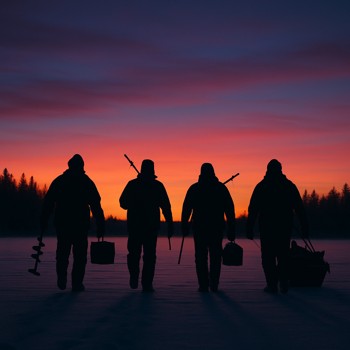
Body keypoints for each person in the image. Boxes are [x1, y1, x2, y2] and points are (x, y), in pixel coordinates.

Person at [40, 154, 105, 292]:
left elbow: (48, 203)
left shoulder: (60, 181)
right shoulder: (86, 182)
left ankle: (62, 278)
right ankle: (76, 283)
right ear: (82, 166)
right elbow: (96, 205)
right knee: (79, 255)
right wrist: (100, 224)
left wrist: (44, 220)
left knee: (63, 253)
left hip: (63, 223)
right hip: (80, 224)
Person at [246, 159, 309, 294]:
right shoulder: (288, 186)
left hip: (267, 228)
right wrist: (304, 227)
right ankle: (283, 282)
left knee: (268, 257)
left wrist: (249, 228)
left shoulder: (261, 186)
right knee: (283, 255)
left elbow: (253, 210)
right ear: (280, 169)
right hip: (284, 227)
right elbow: (299, 208)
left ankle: (272, 284)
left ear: (267, 170)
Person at [119, 159, 173, 292]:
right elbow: (166, 207)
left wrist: (170, 223)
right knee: (148, 256)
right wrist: (170, 223)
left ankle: (139, 279)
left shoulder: (133, 185)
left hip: (139, 227)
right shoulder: (157, 186)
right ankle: (145, 282)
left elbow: (123, 203)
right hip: (147, 227)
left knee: (136, 254)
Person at [181, 163, 236, 292]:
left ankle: (204, 285)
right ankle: (214, 284)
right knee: (215, 256)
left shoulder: (194, 188)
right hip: (216, 228)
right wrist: (231, 228)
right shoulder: (220, 188)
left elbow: (186, 209)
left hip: (200, 228)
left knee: (201, 257)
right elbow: (230, 210)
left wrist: (185, 225)